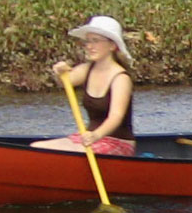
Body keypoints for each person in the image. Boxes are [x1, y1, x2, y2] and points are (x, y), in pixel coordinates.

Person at [32, 15, 137, 156]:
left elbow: (115, 117)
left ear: (112, 46)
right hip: (89, 138)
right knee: (37, 147)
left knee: (72, 152)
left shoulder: (121, 78)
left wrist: (96, 135)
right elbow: (65, 81)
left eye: (95, 41)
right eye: (87, 41)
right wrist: (60, 71)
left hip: (117, 143)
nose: (89, 46)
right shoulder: (87, 69)